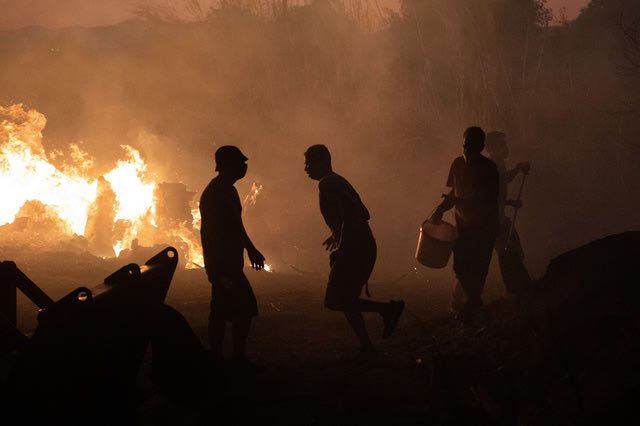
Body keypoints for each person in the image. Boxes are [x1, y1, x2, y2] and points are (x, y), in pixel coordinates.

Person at [304, 144, 404, 361]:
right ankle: (367, 348)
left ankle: (387, 310)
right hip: (362, 244)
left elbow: (352, 214)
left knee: (333, 300)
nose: (306, 168)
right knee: (349, 298)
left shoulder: (328, 184)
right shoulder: (338, 181)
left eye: (309, 163)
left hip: (356, 248)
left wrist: (343, 245)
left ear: (322, 162)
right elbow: (361, 213)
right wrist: (337, 234)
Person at [199, 145, 265, 372]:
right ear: (227, 165)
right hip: (223, 263)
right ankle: (230, 359)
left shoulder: (224, 189)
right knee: (242, 308)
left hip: (224, 262)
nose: (244, 167)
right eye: (240, 163)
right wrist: (251, 249)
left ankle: (219, 359)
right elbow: (231, 227)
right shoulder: (220, 191)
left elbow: (234, 226)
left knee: (223, 309)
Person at [429, 127, 499, 324]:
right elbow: (453, 192)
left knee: (478, 270)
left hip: (484, 229)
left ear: (481, 147)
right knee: (460, 267)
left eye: (472, 144)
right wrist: (441, 208)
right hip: (464, 228)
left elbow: (488, 201)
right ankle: (473, 303)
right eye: (466, 143)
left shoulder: (489, 168)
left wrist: (459, 202)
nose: (467, 148)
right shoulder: (458, 164)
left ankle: (470, 311)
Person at [484, 131, 532, 294]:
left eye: (504, 143)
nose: (505, 147)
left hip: (498, 218)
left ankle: (514, 289)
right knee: (509, 252)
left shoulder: (498, 163)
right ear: (490, 147)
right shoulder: (491, 166)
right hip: (493, 220)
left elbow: (504, 180)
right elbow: (490, 195)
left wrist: (518, 168)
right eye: (500, 144)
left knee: (510, 251)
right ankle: (515, 290)